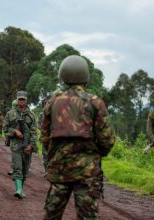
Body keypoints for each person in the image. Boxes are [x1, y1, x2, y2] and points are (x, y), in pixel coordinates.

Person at [41, 55, 115, 219]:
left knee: (52, 215)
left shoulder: (53, 102)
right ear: (85, 77)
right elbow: (107, 139)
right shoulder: (95, 102)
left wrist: (55, 154)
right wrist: (95, 154)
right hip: (87, 172)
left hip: (59, 169)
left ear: (63, 76)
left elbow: (45, 138)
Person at [3, 91, 37, 199]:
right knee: (17, 167)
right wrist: (14, 132)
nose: (21, 101)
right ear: (17, 100)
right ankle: (18, 190)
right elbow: (5, 128)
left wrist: (31, 146)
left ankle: (21, 189)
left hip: (27, 147)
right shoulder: (10, 113)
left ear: (26, 101)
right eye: (19, 99)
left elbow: (34, 132)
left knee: (25, 170)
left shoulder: (31, 116)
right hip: (16, 146)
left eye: (23, 99)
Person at [37, 98, 48, 175]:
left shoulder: (54, 114)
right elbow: (38, 124)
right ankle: (47, 171)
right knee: (45, 155)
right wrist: (42, 128)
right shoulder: (41, 115)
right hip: (44, 138)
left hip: (53, 138)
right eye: (45, 104)